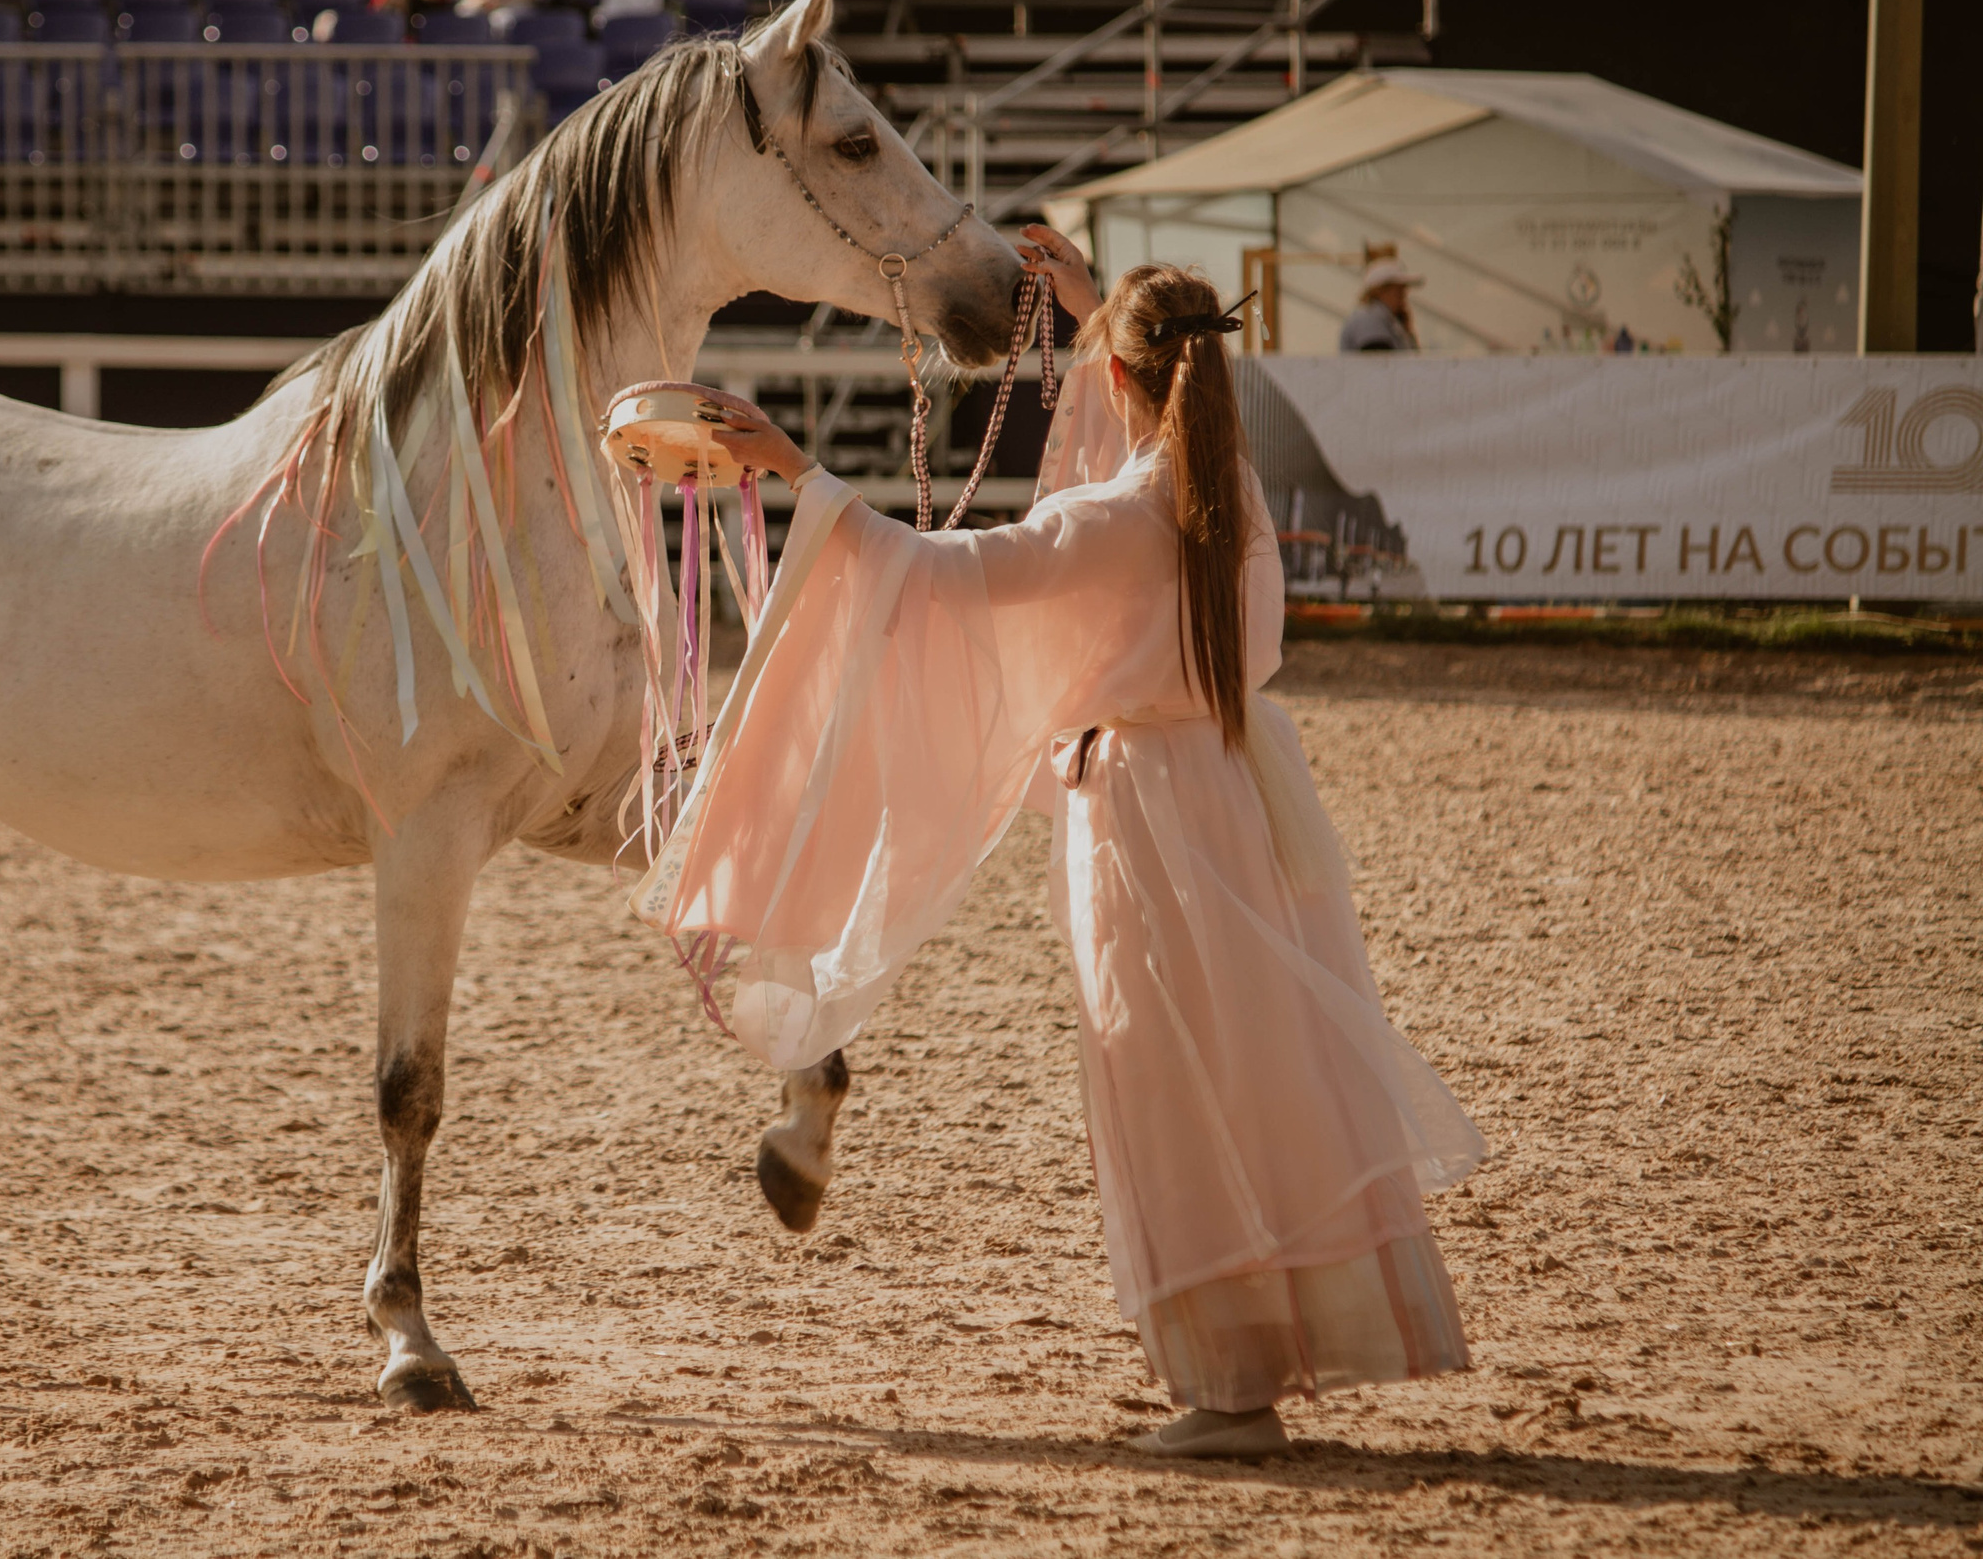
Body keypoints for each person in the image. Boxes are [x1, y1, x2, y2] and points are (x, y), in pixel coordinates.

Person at [635, 228, 1485, 1459]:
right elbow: (1130, 424)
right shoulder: (1224, 491)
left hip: (1140, 810)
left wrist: (793, 470)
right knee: (1251, 1064)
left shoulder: (1111, 519)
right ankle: (1264, 1353)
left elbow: (931, 572)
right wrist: (1096, 311)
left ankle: (1229, 1387)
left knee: (1164, 1079)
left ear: (1124, 379)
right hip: (1236, 791)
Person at [1340, 256, 1422, 351]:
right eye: (1398, 289)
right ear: (1380, 291)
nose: (1404, 294)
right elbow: (1379, 361)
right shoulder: (1368, 317)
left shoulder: (1389, 320)